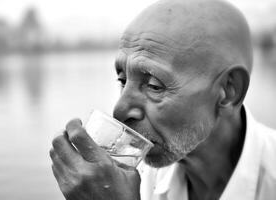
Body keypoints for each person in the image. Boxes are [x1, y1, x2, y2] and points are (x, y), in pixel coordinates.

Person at [49, 0, 276, 199]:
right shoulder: (134, 177)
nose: (119, 110)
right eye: (122, 80)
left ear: (229, 90)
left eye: (155, 85)